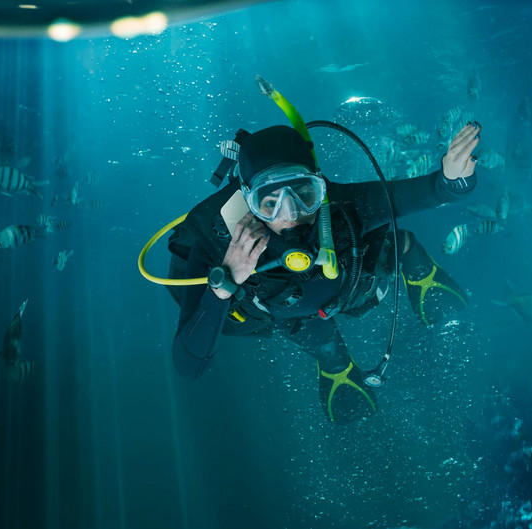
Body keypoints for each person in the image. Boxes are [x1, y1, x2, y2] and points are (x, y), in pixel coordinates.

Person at [168, 121, 481, 423]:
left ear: (320, 186)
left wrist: (456, 178)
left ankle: (413, 260)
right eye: (270, 203)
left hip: (346, 286)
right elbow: (188, 366)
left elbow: (436, 190)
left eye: (304, 194)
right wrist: (223, 285)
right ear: (248, 202)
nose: (290, 215)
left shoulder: (343, 206)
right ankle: (336, 366)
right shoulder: (212, 244)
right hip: (285, 314)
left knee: (391, 245)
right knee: (320, 342)